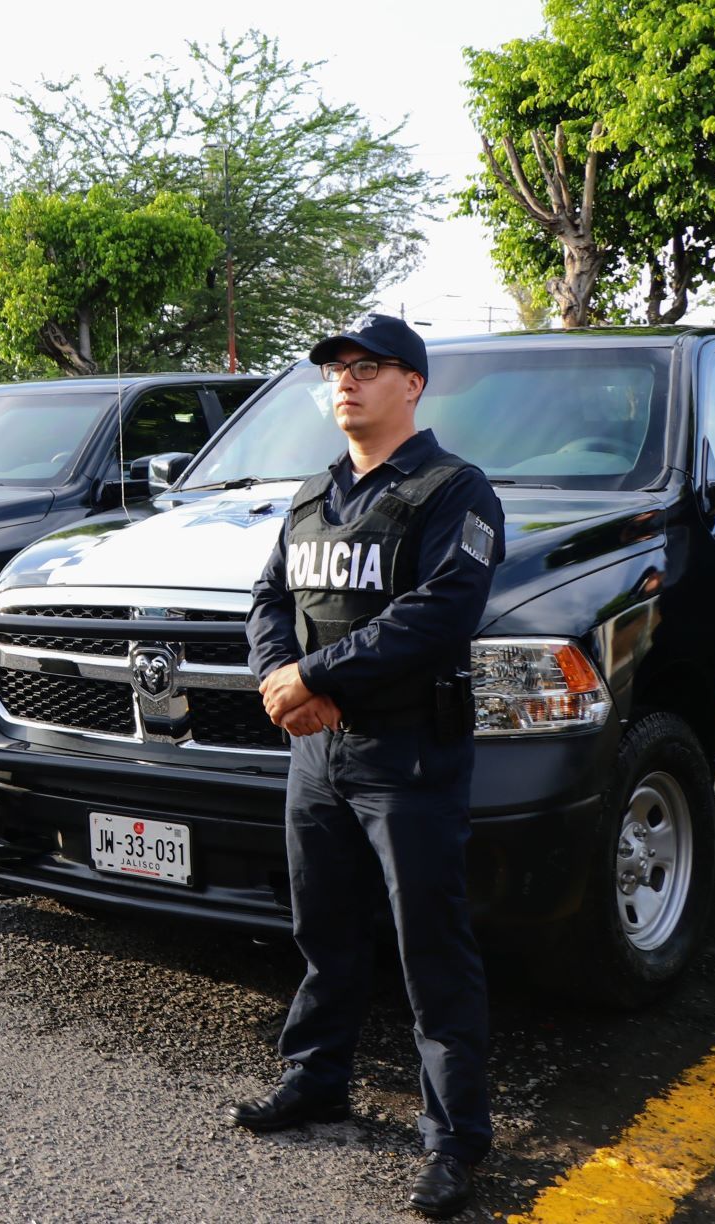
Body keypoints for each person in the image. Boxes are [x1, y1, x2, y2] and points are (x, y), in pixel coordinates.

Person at [236, 315, 504, 1220]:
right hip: (317, 752)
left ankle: (455, 1140)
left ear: (412, 384)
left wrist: (317, 676)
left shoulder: (452, 491)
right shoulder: (316, 494)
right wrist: (283, 682)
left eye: (366, 367)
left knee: (431, 948)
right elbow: (271, 596)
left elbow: (440, 613)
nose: (344, 382)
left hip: (406, 756)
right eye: (334, 371)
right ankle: (316, 1080)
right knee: (325, 928)